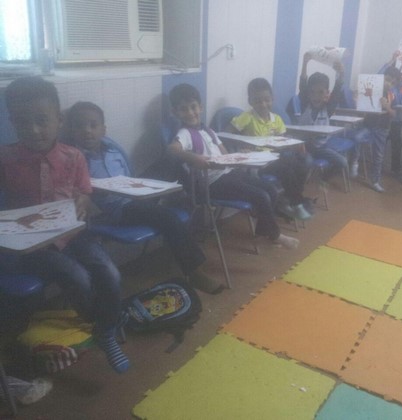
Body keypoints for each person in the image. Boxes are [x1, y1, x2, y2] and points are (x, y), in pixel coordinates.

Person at [0, 77, 129, 373]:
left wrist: (83, 199)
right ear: (12, 122)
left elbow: (84, 191)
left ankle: (107, 328)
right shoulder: (5, 159)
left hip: (73, 234)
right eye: (23, 122)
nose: (34, 130)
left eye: (41, 120)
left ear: (58, 120)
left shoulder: (74, 156)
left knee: (109, 271)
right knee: (77, 276)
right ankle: (103, 326)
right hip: (33, 246)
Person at [65, 101, 223, 295]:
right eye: (80, 126)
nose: (87, 131)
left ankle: (192, 196)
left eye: (93, 125)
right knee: (168, 217)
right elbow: (78, 195)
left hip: (134, 196)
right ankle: (194, 272)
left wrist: (140, 186)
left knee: (171, 160)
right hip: (117, 210)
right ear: (71, 131)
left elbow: (129, 176)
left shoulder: (113, 151)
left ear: (103, 129)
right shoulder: (74, 159)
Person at [166, 83, 300, 250]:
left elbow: (225, 154)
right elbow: (172, 148)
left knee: (271, 190)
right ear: (175, 112)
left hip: (230, 174)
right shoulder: (185, 133)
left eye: (193, 107)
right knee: (261, 196)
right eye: (184, 109)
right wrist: (195, 158)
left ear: (200, 107)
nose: (190, 112)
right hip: (213, 183)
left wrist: (240, 154)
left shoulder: (208, 131)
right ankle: (275, 235)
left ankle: (263, 231)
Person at [228, 78, 313, 220]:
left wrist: (295, 143)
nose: (263, 104)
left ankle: (288, 200)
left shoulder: (276, 119)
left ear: (272, 99)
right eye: (257, 101)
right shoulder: (247, 117)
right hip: (259, 163)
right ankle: (296, 202)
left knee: (303, 162)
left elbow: (283, 140)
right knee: (288, 168)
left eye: (267, 100)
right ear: (250, 101)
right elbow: (227, 133)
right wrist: (241, 144)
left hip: (275, 157)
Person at [286, 53, 349, 185]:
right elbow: (303, 84)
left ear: (327, 93)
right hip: (304, 147)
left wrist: (341, 73)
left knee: (343, 162)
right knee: (307, 162)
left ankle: (323, 179)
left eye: (321, 92)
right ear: (308, 94)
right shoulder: (305, 104)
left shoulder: (329, 108)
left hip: (321, 148)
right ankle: (298, 186)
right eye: (312, 92)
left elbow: (337, 89)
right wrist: (305, 63)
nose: (316, 96)